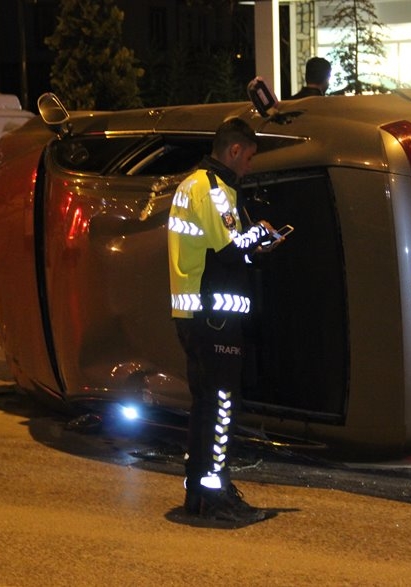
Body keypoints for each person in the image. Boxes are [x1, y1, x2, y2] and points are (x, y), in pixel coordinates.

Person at [167, 117, 283, 523]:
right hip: (215, 316)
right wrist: (262, 234)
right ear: (234, 151)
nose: (249, 166)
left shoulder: (189, 186)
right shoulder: (213, 190)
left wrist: (249, 244)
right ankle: (215, 497)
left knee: (204, 406)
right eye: (248, 157)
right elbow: (230, 247)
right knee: (220, 406)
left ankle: (199, 491)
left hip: (192, 312)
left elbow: (213, 248)